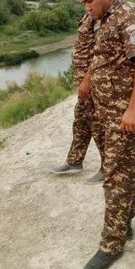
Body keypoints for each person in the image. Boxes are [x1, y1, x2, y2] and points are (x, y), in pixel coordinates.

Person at [75, 0, 135, 269]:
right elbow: (103, 56)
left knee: (115, 175)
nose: (87, 7)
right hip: (108, 110)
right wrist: (87, 79)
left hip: (127, 114)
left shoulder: (130, 17)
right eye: (84, 3)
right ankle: (124, 224)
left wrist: (133, 107)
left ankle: (111, 244)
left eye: (88, 1)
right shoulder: (105, 17)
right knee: (124, 172)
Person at [50, 11, 104, 184]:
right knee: (81, 120)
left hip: (93, 81)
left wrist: (87, 81)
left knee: (97, 123)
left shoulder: (102, 15)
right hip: (83, 80)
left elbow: (101, 52)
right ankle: (74, 161)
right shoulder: (89, 13)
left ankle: (108, 167)